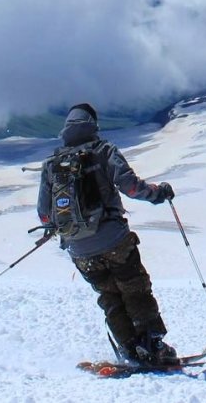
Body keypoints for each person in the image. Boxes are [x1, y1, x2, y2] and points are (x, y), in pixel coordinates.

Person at [37, 103, 177, 365]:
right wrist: (158, 193)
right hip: (114, 239)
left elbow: (45, 214)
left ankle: (129, 349)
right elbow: (131, 187)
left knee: (109, 296)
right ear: (93, 124)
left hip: (79, 250)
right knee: (135, 288)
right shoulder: (104, 151)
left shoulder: (52, 164)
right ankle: (152, 346)